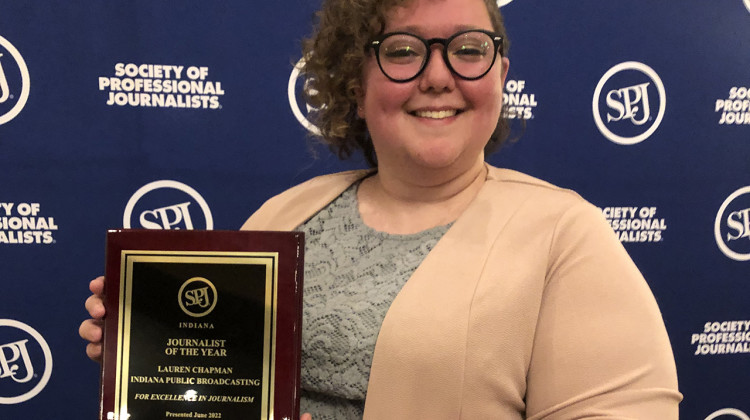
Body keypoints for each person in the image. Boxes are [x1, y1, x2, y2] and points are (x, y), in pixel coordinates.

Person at [80, 0, 683, 418]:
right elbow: (223, 390)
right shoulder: (285, 216)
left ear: (499, 72)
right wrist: (152, 353)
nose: (439, 75)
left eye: (468, 49)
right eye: (403, 51)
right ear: (354, 82)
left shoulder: (564, 236)